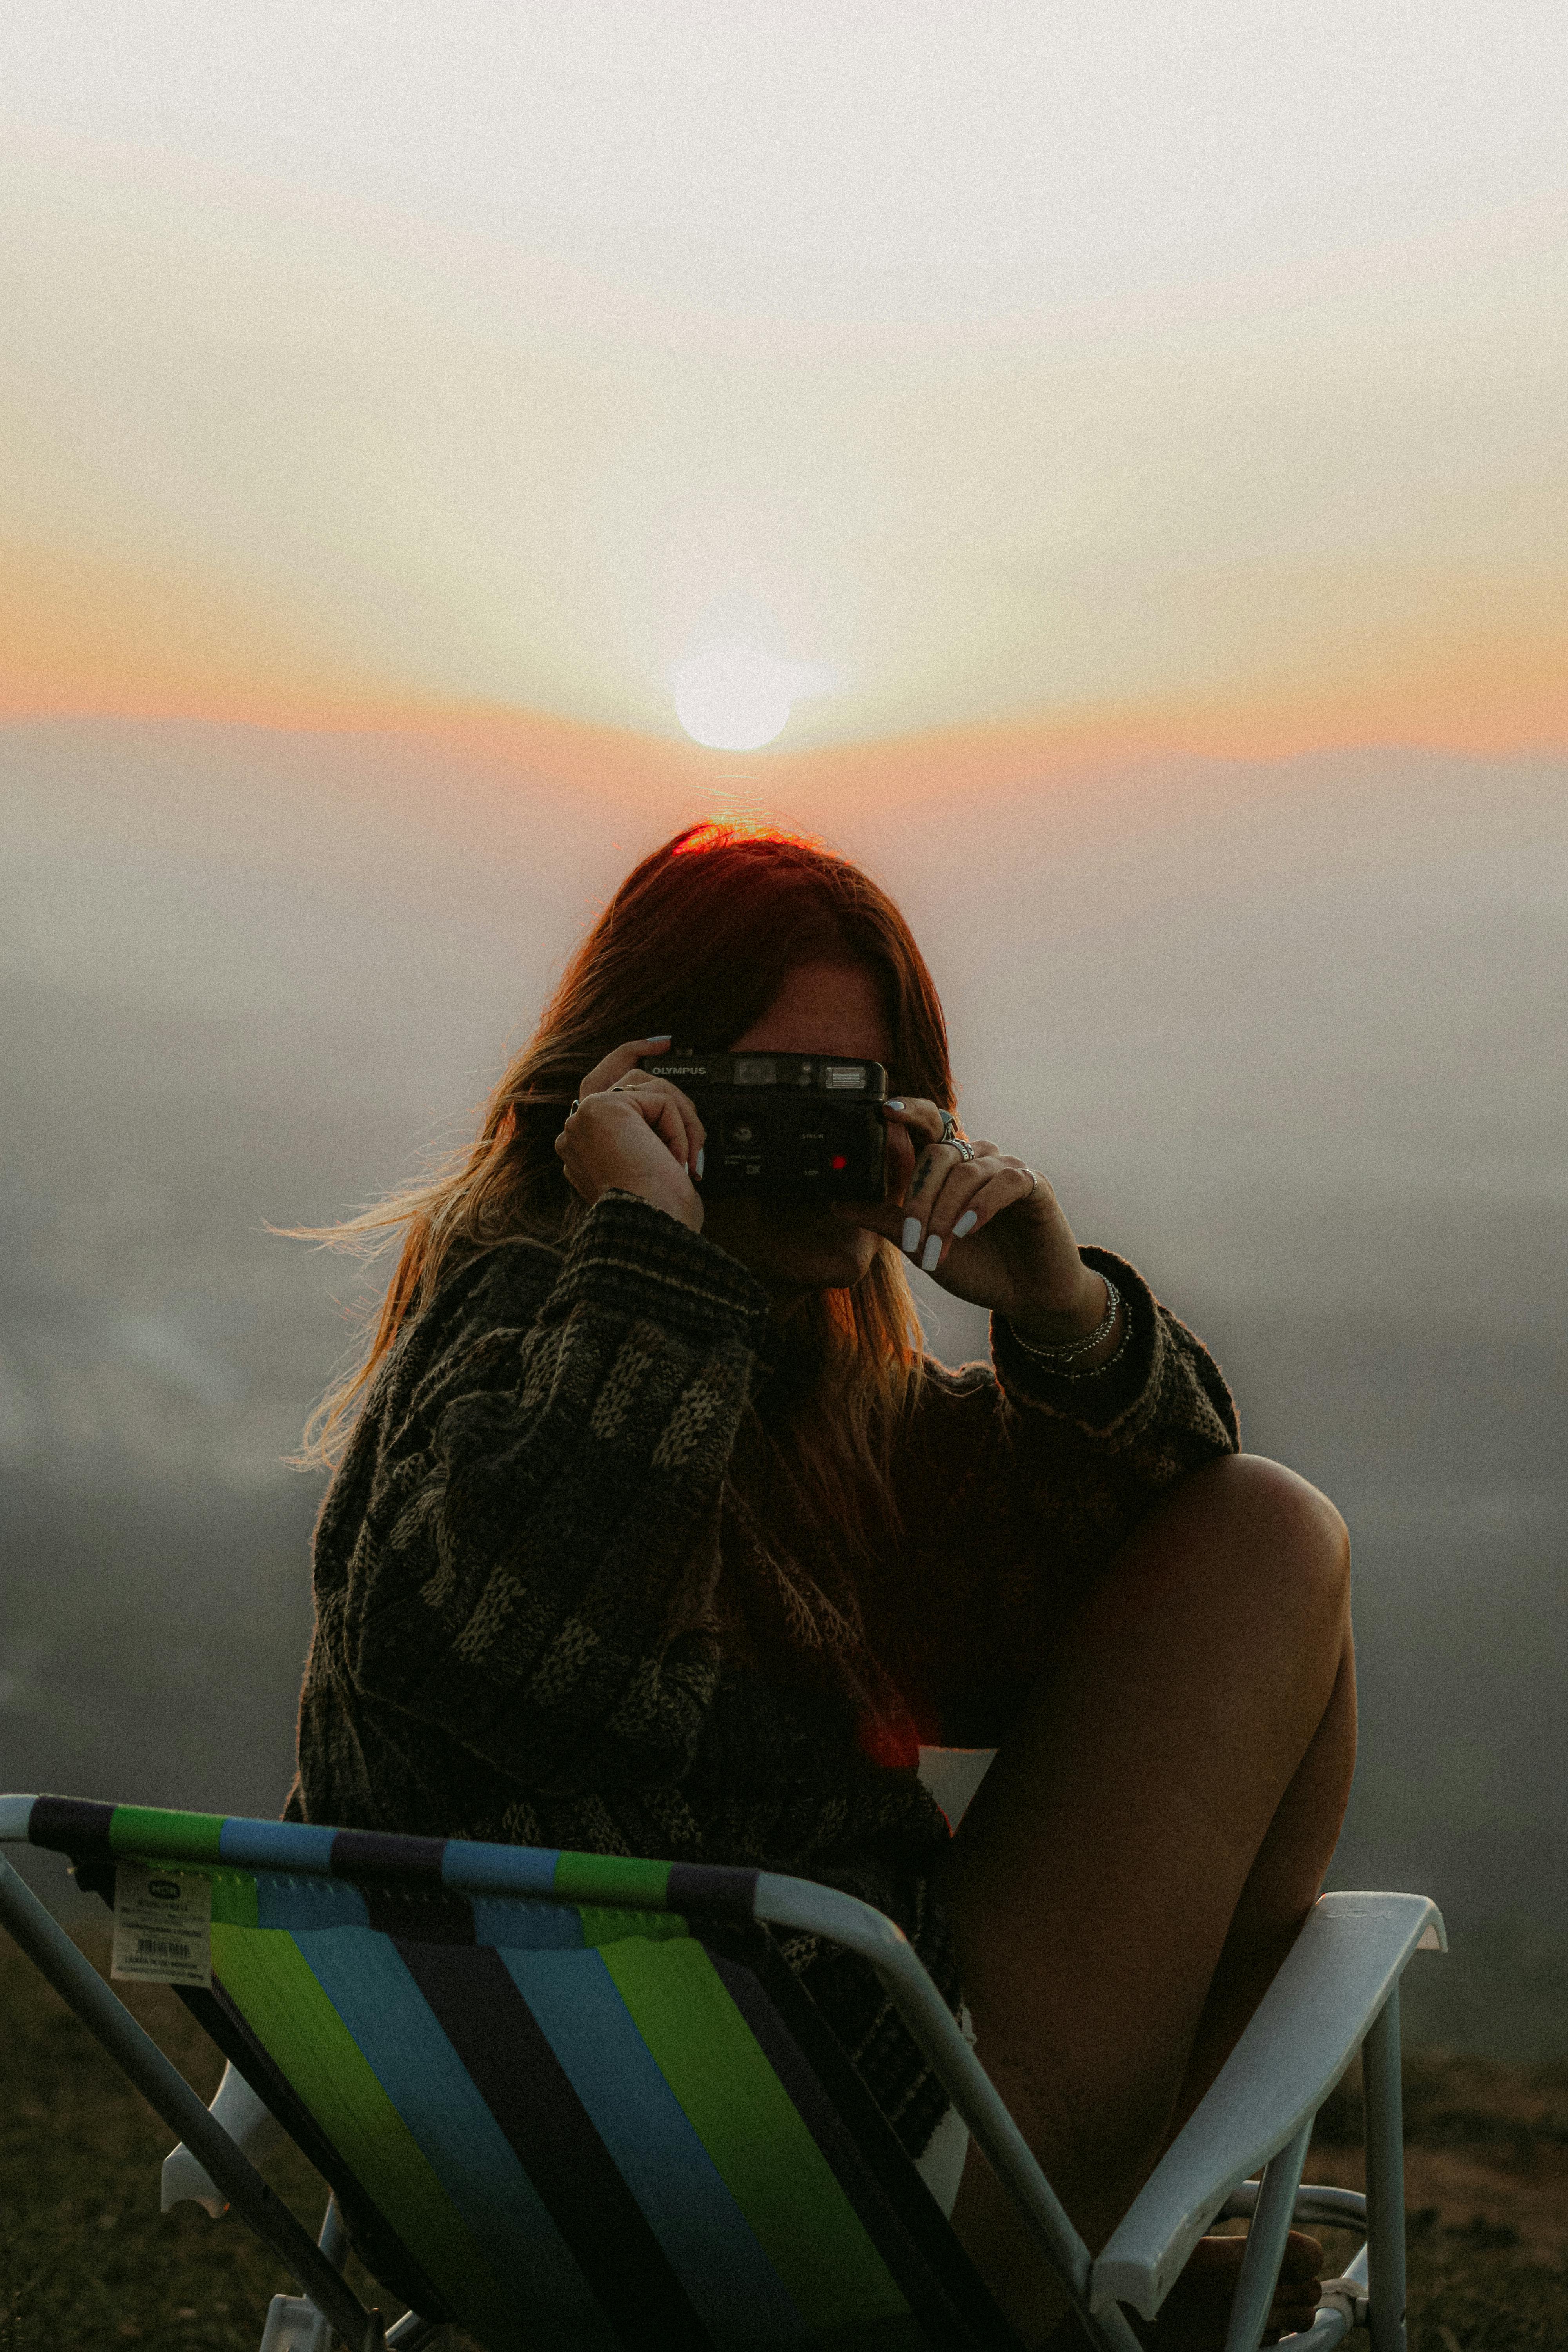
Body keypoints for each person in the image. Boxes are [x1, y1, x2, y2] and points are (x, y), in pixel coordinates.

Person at [286, 822, 1354, 2347]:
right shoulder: (535, 1338)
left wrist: (1058, 1311)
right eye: (763, 1100)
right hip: (814, 2185)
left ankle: (1095, 2248)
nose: (818, 1148)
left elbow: (1100, 1579)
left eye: (863, 1103)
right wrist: (648, 1245)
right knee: (1275, 1534)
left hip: (571, 2209)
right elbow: (515, 1666)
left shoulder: (776, 1386)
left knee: (1236, 1523)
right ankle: (1082, 2265)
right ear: (632, 1097)